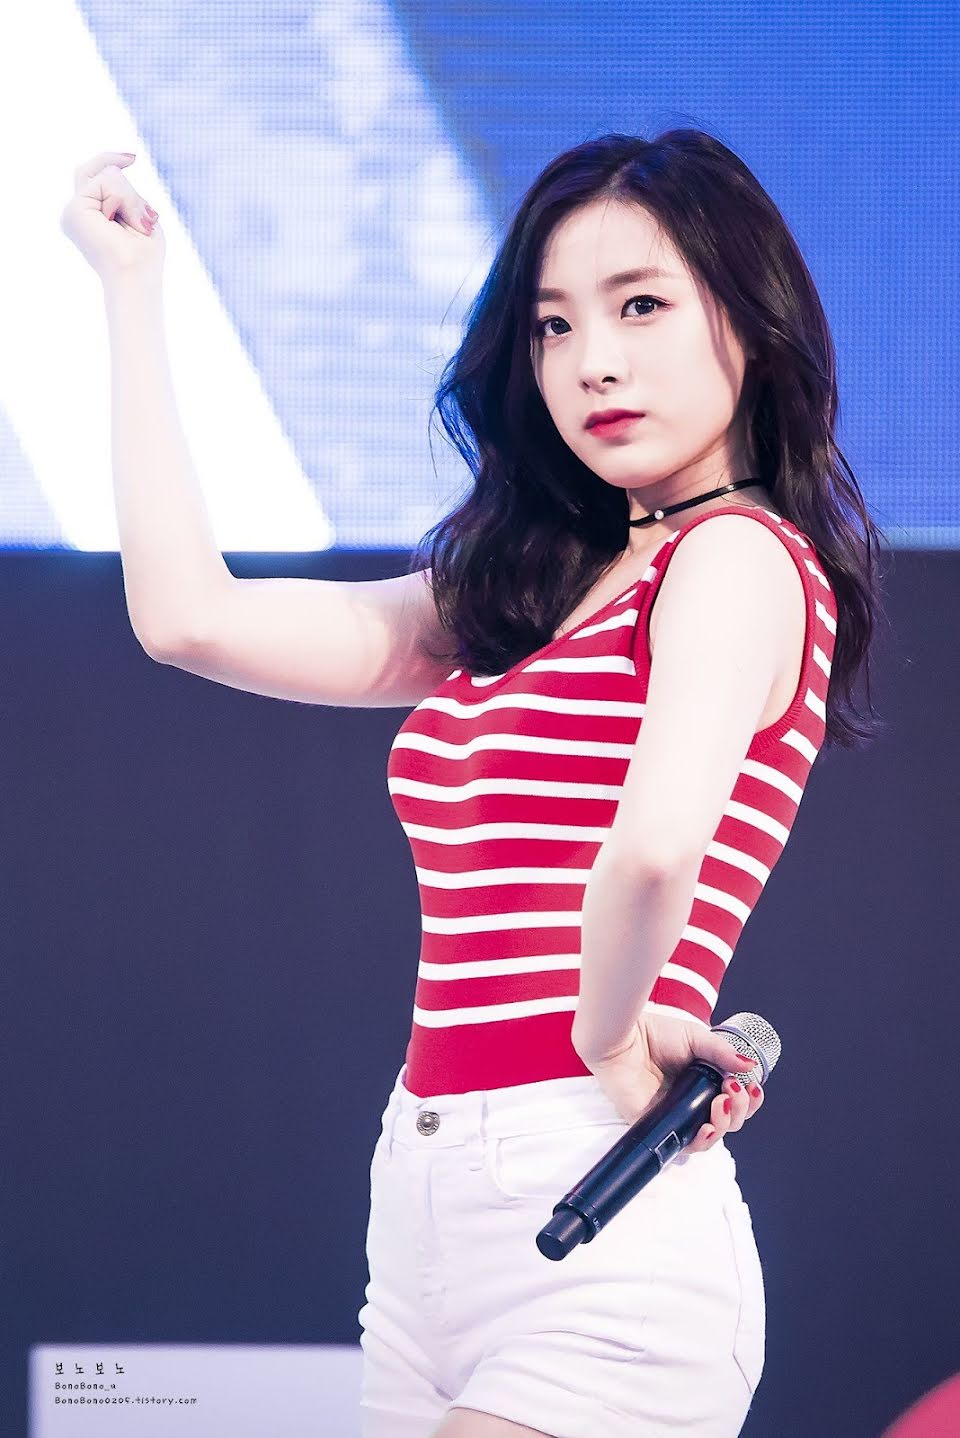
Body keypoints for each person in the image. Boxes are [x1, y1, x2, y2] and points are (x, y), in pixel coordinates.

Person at [61, 127, 885, 1438]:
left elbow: (654, 849)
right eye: (554, 325)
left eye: (641, 305)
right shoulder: (524, 594)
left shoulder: (738, 555)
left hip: (601, 1204)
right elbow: (186, 619)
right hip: (427, 1204)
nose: (593, 359)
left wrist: (611, 1042)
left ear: (750, 317)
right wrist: (130, 291)